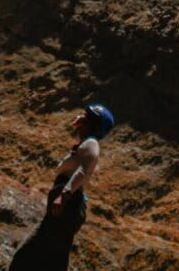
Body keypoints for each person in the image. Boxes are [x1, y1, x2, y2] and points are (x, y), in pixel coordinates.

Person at [8, 103, 115, 271]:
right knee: (44, 255)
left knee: (37, 256)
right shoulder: (86, 143)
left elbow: (84, 169)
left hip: (69, 202)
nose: (81, 118)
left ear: (94, 124)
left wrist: (64, 194)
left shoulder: (92, 143)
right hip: (68, 203)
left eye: (87, 117)